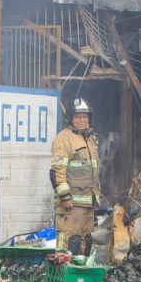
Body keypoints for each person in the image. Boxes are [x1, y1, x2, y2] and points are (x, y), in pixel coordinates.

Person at [50, 98, 101, 258]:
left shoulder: (91, 139)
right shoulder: (63, 139)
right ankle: (62, 277)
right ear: (70, 118)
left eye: (85, 117)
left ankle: (81, 280)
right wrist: (64, 196)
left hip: (88, 202)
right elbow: (58, 170)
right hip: (71, 204)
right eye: (78, 117)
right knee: (69, 242)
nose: (82, 120)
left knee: (86, 243)